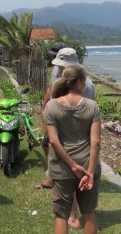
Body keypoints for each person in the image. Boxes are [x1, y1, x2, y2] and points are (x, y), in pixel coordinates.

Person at [36, 47, 95, 230]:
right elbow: (96, 140)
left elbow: (56, 135)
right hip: (82, 148)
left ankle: (74, 216)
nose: (59, 69)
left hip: (66, 148)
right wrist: (92, 169)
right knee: (88, 208)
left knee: (63, 209)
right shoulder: (86, 88)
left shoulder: (78, 88)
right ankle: (74, 214)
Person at [45, 65, 101, 234]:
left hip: (62, 169)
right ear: (78, 82)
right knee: (88, 213)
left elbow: (54, 141)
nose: (85, 85)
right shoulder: (92, 106)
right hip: (88, 167)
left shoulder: (52, 106)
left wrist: (72, 166)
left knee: (61, 216)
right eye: (84, 81)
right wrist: (89, 171)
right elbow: (96, 142)